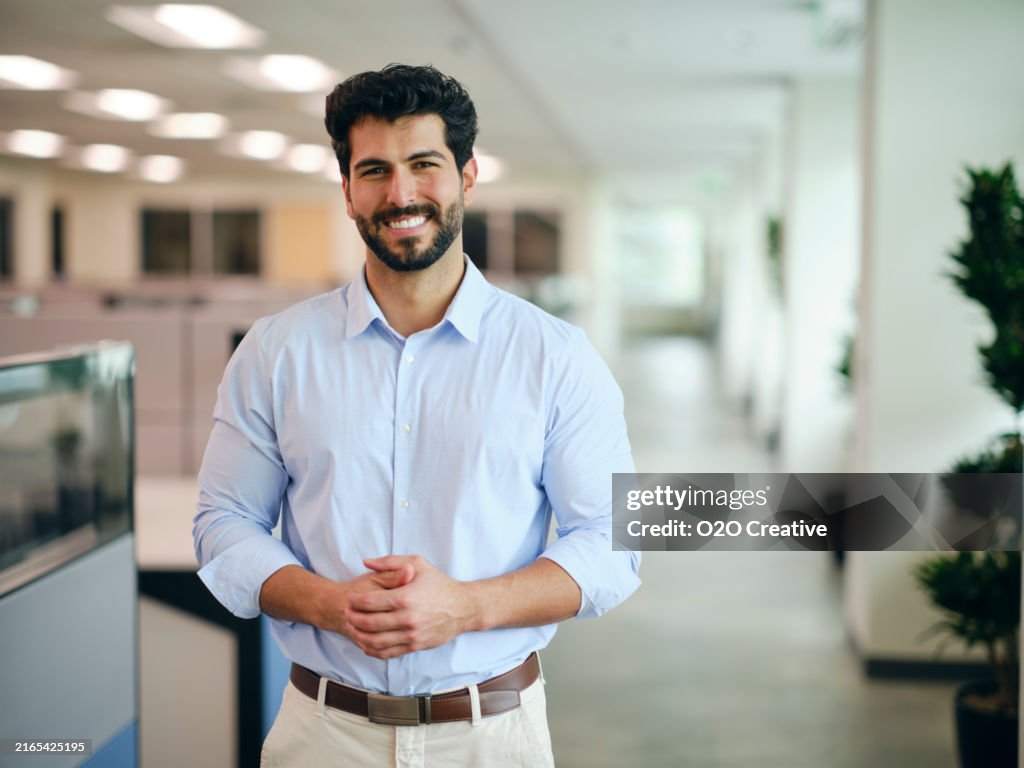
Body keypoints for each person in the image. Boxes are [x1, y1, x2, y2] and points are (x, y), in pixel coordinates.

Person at [193, 63, 641, 767]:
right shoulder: (275, 353)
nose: (400, 194)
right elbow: (223, 526)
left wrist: (469, 607)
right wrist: (329, 604)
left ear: (467, 174)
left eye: (424, 165)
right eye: (374, 170)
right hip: (322, 733)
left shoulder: (554, 357)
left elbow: (615, 539)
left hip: (492, 737)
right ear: (346, 191)